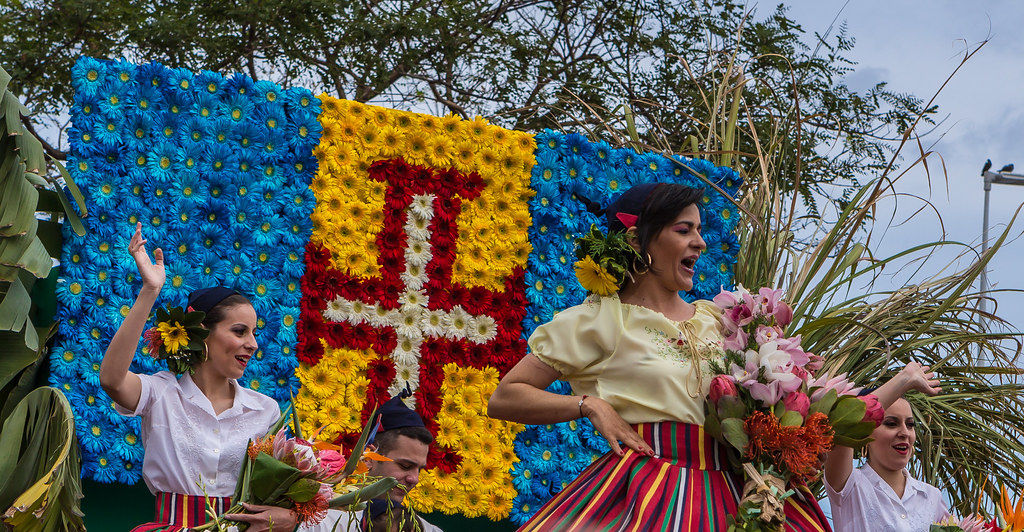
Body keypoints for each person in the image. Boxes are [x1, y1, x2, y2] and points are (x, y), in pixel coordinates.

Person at [487, 183, 831, 531]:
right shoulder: (600, 320)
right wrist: (589, 405)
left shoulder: (718, 319)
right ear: (636, 240)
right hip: (650, 494)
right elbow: (505, 396)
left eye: (699, 230)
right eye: (684, 230)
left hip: (736, 487)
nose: (700, 242)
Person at [100, 222, 297, 532]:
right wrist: (150, 291)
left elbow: (278, 492)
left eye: (254, 333)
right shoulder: (160, 393)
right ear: (203, 331)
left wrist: (291, 517)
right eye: (239, 331)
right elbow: (112, 380)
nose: (254, 344)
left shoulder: (266, 410)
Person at [824, 363, 946, 532]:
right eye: (891, 423)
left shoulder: (931, 497)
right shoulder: (848, 486)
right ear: (865, 433)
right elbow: (846, 424)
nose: (904, 432)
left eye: (910, 425)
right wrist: (904, 378)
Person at [304, 391, 442, 532]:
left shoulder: (428, 530)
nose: (415, 479)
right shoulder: (317, 522)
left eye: (419, 469)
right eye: (405, 466)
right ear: (369, 457)